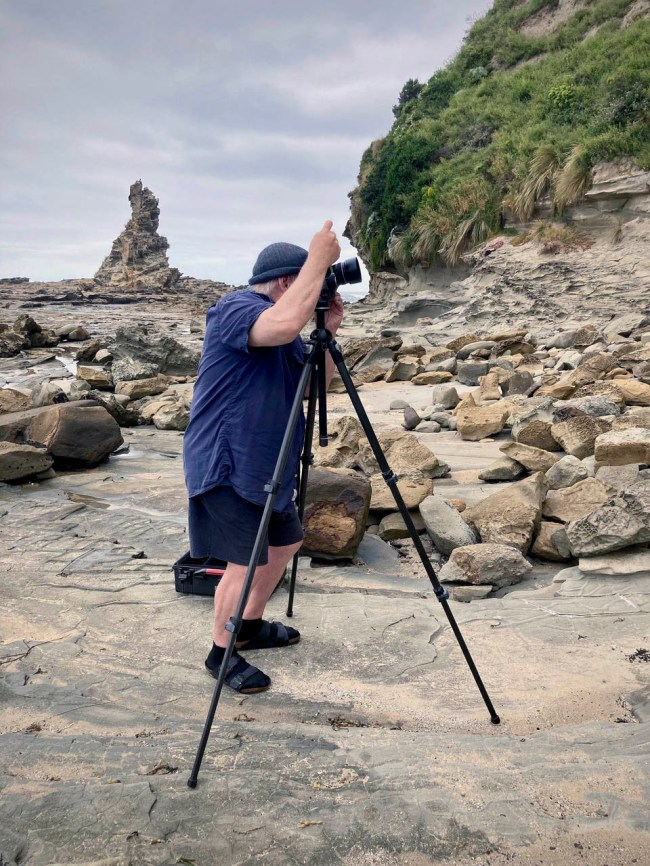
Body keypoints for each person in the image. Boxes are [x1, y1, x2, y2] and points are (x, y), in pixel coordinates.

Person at [183, 221, 343, 694]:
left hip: (268, 464)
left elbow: (317, 386)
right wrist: (320, 259)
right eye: (309, 280)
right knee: (244, 561)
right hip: (227, 460)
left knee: (285, 544)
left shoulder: (285, 331)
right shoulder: (236, 308)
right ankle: (221, 653)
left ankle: (248, 626)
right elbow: (285, 323)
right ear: (286, 281)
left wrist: (330, 329)